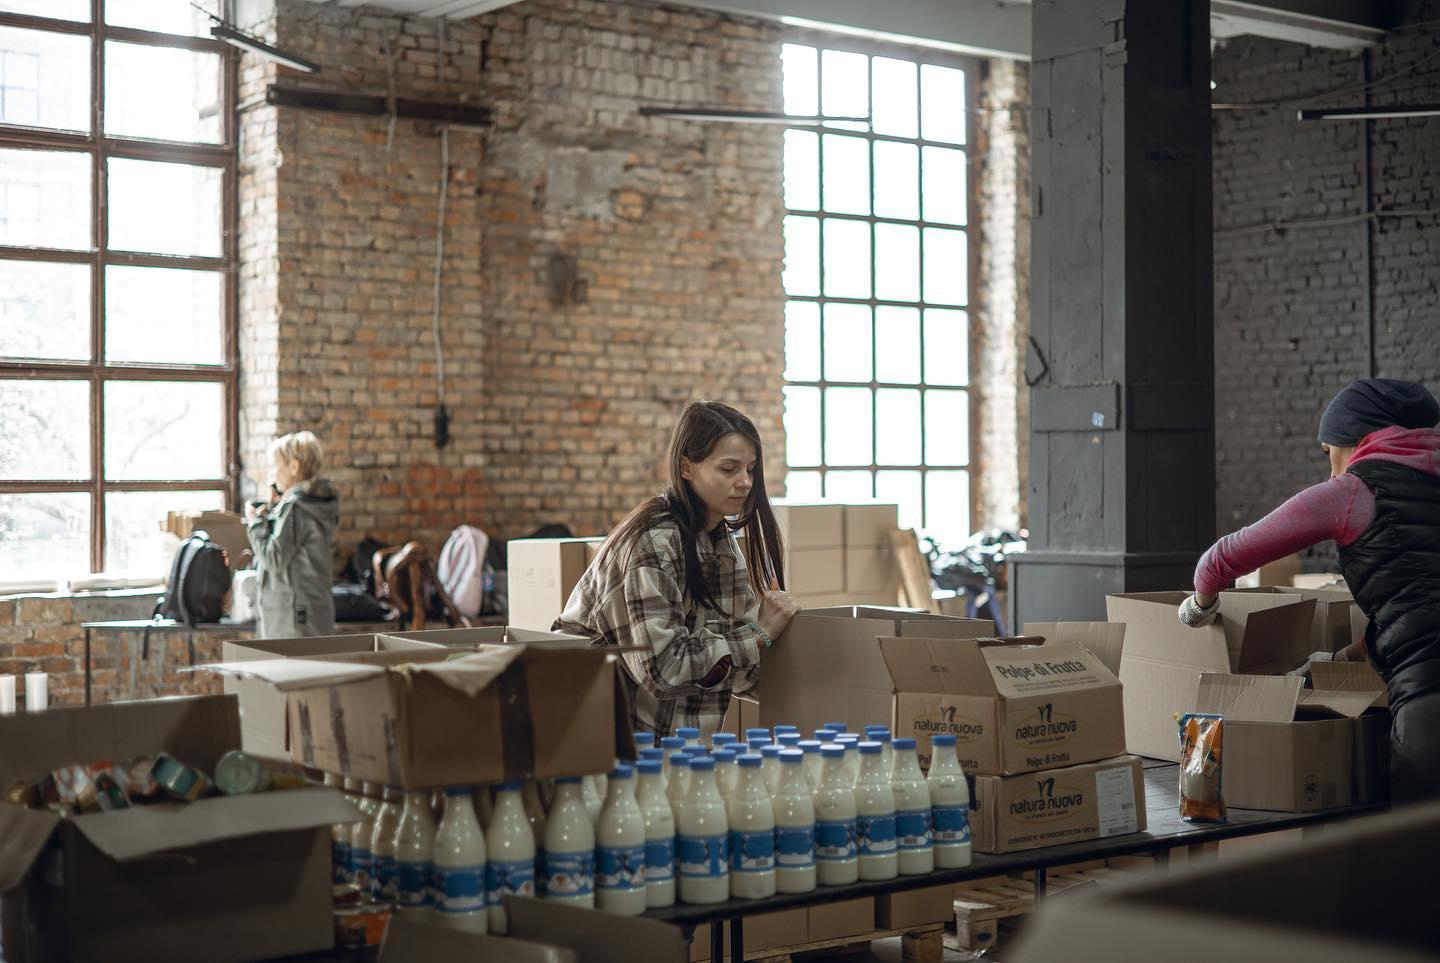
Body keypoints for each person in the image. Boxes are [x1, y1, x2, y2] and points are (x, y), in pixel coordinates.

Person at [1177, 378, 1440, 803]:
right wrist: (1342, 658)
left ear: (1356, 439)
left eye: (1329, 452)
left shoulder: (1355, 491)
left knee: (1419, 837)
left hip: (1430, 697)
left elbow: (1222, 558)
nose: (1332, 470)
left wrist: (1199, 605)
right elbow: (1416, 603)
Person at [555, 401, 802, 737]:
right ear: (686, 467)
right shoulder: (652, 543)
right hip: (605, 747)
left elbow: (736, 666)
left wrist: (820, 678)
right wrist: (759, 635)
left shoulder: (722, 544)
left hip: (680, 748)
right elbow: (663, 670)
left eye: (751, 469)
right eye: (728, 469)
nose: (745, 482)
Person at [245, 430, 339, 639]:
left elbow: (274, 558)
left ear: (294, 467)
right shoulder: (317, 504)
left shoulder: (296, 508)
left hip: (292, 617)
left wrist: (255, 523)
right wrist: (275, 512)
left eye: (275, 466)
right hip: (310, 610)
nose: (273, 473)